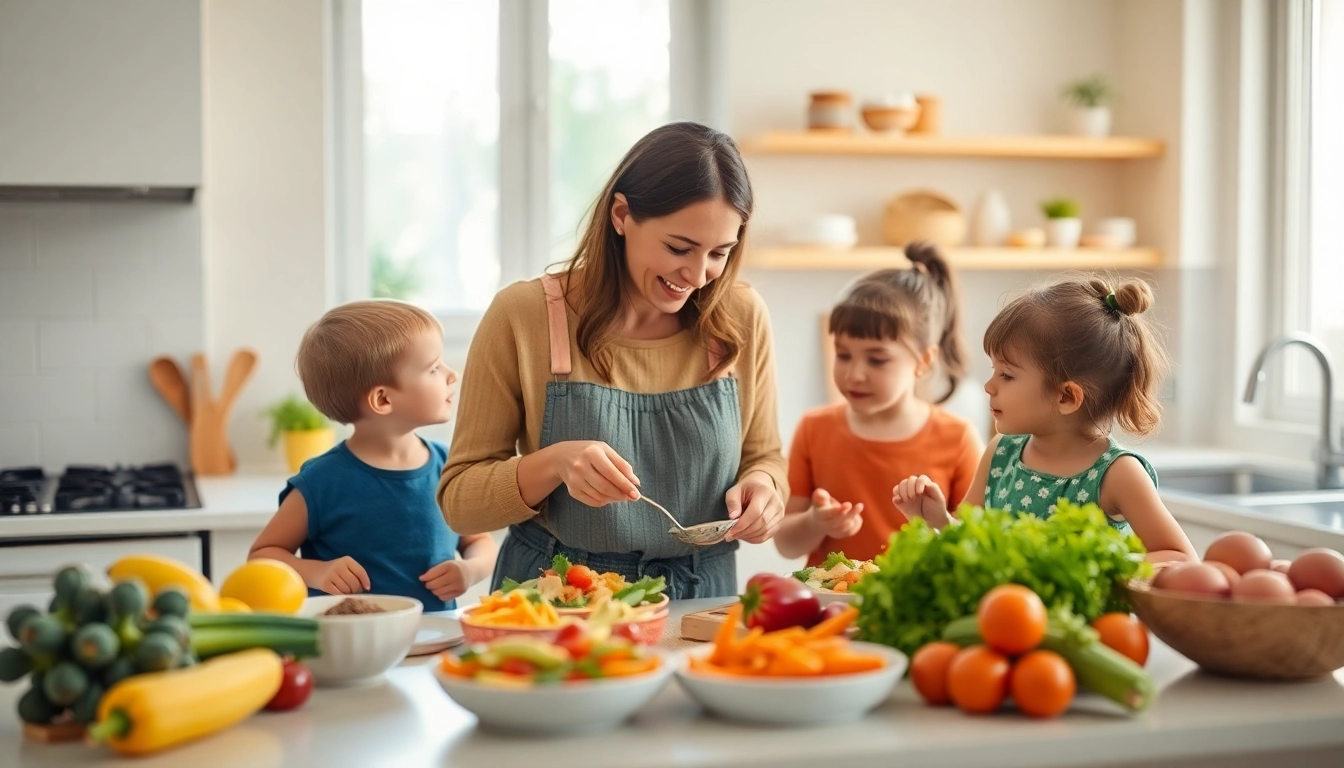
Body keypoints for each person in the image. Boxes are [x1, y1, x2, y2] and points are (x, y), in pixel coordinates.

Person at [438, 122, 788, 599]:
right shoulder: (523, 316)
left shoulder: (741, 316)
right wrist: (554, 464)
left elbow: (764, 456)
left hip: (703, 596)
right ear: (621, 214)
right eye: (678, 247)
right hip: (556, 596)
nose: (697, 274)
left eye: (719, 253)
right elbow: (460, 503)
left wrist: (765, 489)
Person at [892, 276, 1196, 562]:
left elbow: (1181, 557)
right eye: (993, 370)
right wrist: (936, 520)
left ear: (1065, 397)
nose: (989, 386)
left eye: (1007, 375)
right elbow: (970, 542)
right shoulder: (1001, 453)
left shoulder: (1118, 473)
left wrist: (1104, 565)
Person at [249, 300, 498, 610]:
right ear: (382, 399)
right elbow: (262, 556)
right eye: (433, 368)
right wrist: (318, 572)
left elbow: (479, 542)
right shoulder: (321, 482)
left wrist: (470, 570)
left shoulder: (450, 466)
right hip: (353, 648)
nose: (452, 374)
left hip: (437, 641)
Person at [773, 243, 982, 565]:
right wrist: (815, 523)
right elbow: (786, 545)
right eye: (843, 355)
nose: (854, 374)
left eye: (877, 360)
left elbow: (975, 550)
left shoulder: (958, 439)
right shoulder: (814, 429)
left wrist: (936, 522)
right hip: (833, 608)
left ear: (923, 361)